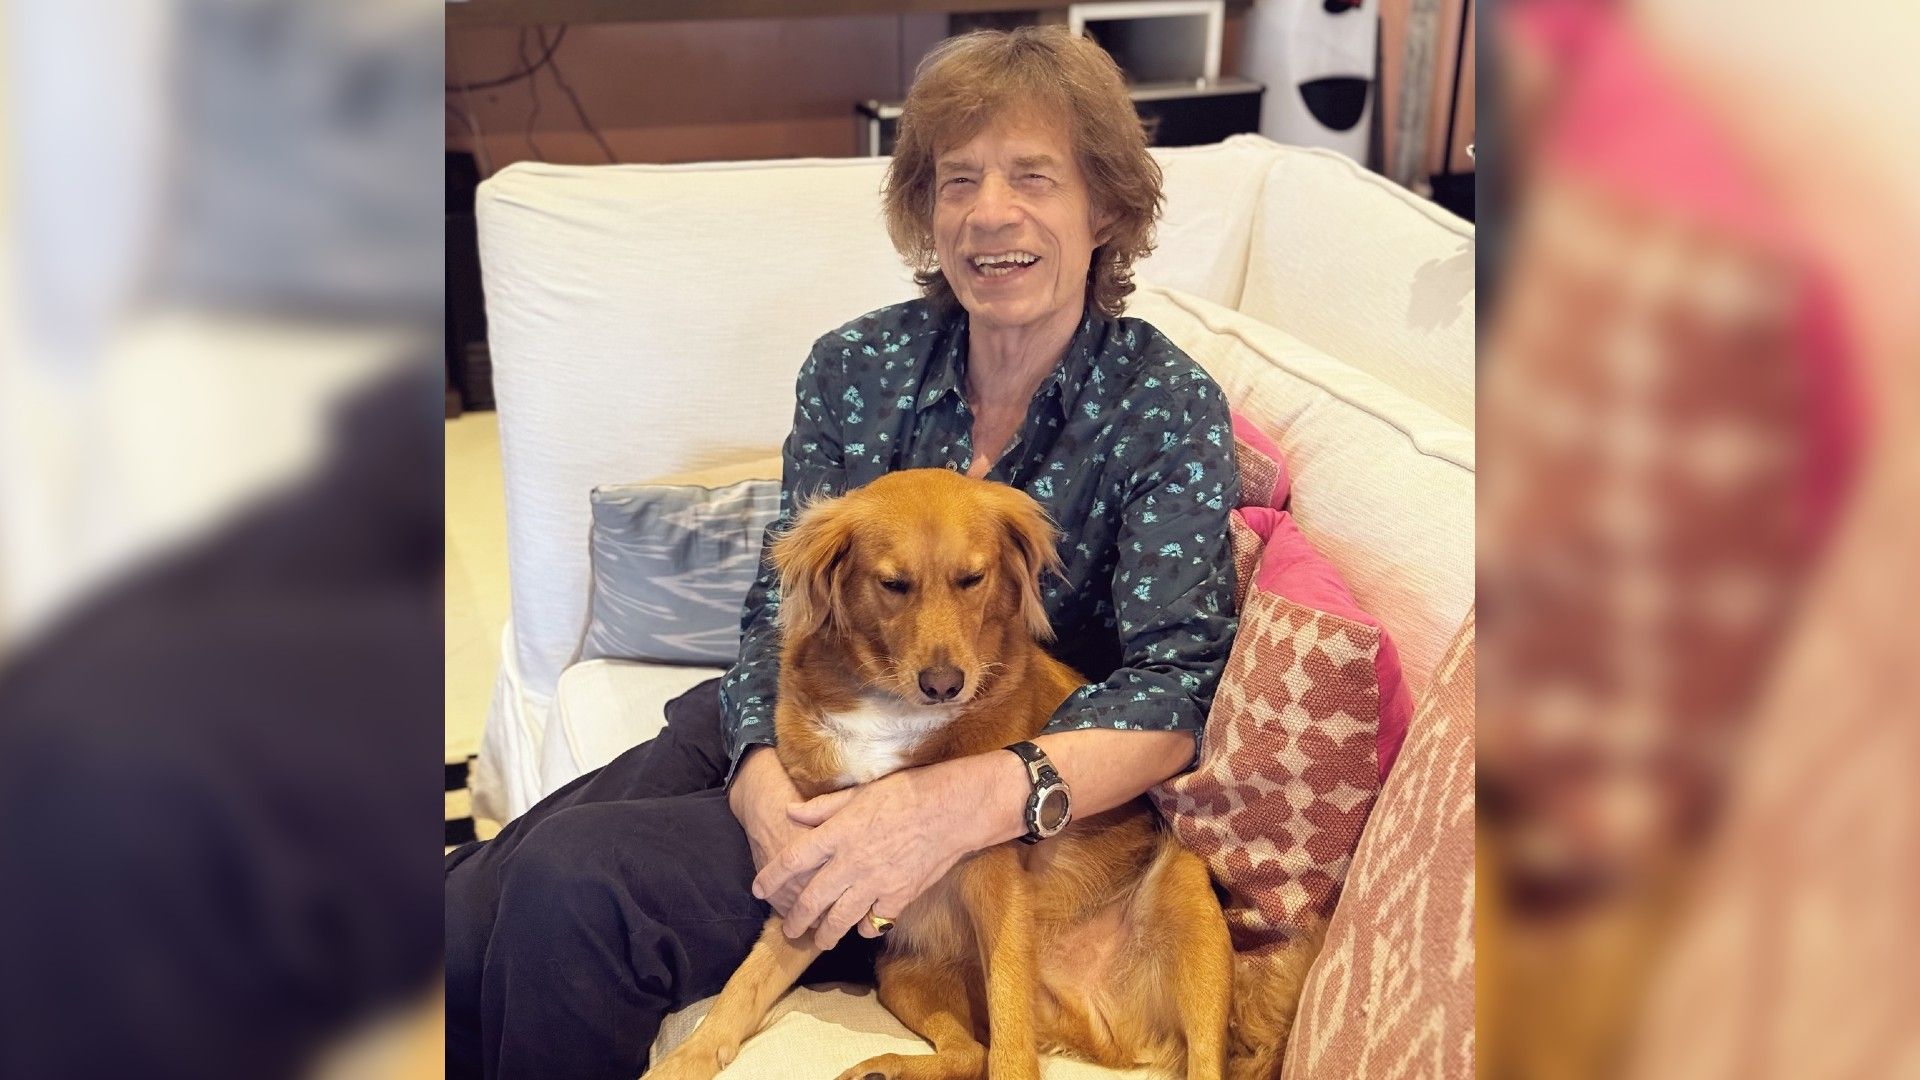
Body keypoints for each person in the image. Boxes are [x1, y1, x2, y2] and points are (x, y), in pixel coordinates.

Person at [445, 27, 1241, 1079]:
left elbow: (1175, 691)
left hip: (976, 776)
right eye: (958, 180)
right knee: (470, 895)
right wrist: (756, 773)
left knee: (574, 890)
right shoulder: (858, 367)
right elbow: (776, 619)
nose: (991, 212)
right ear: (926, 210)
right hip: (798, 718)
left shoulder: (1164, 408)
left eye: (1034, 177)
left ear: (1105, 209)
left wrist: (960, 804)